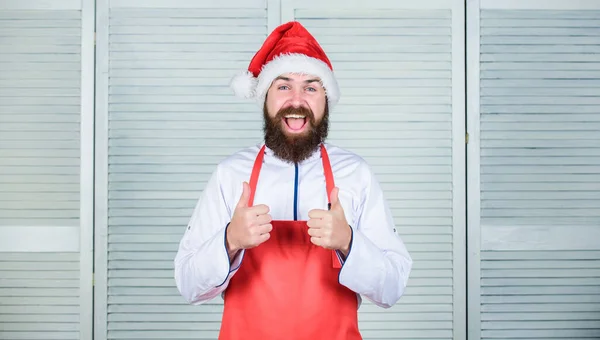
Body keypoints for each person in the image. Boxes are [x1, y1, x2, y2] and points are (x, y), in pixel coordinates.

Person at [174, 21, 412, 340]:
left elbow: (392, 288)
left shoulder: (356, 173)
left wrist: (348, 241)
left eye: (311, 87)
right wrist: (229, 240)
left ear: (326, 99)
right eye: (284, 86)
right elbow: (188, 285)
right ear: (265, 97)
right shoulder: (230, 174)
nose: (297, 99)